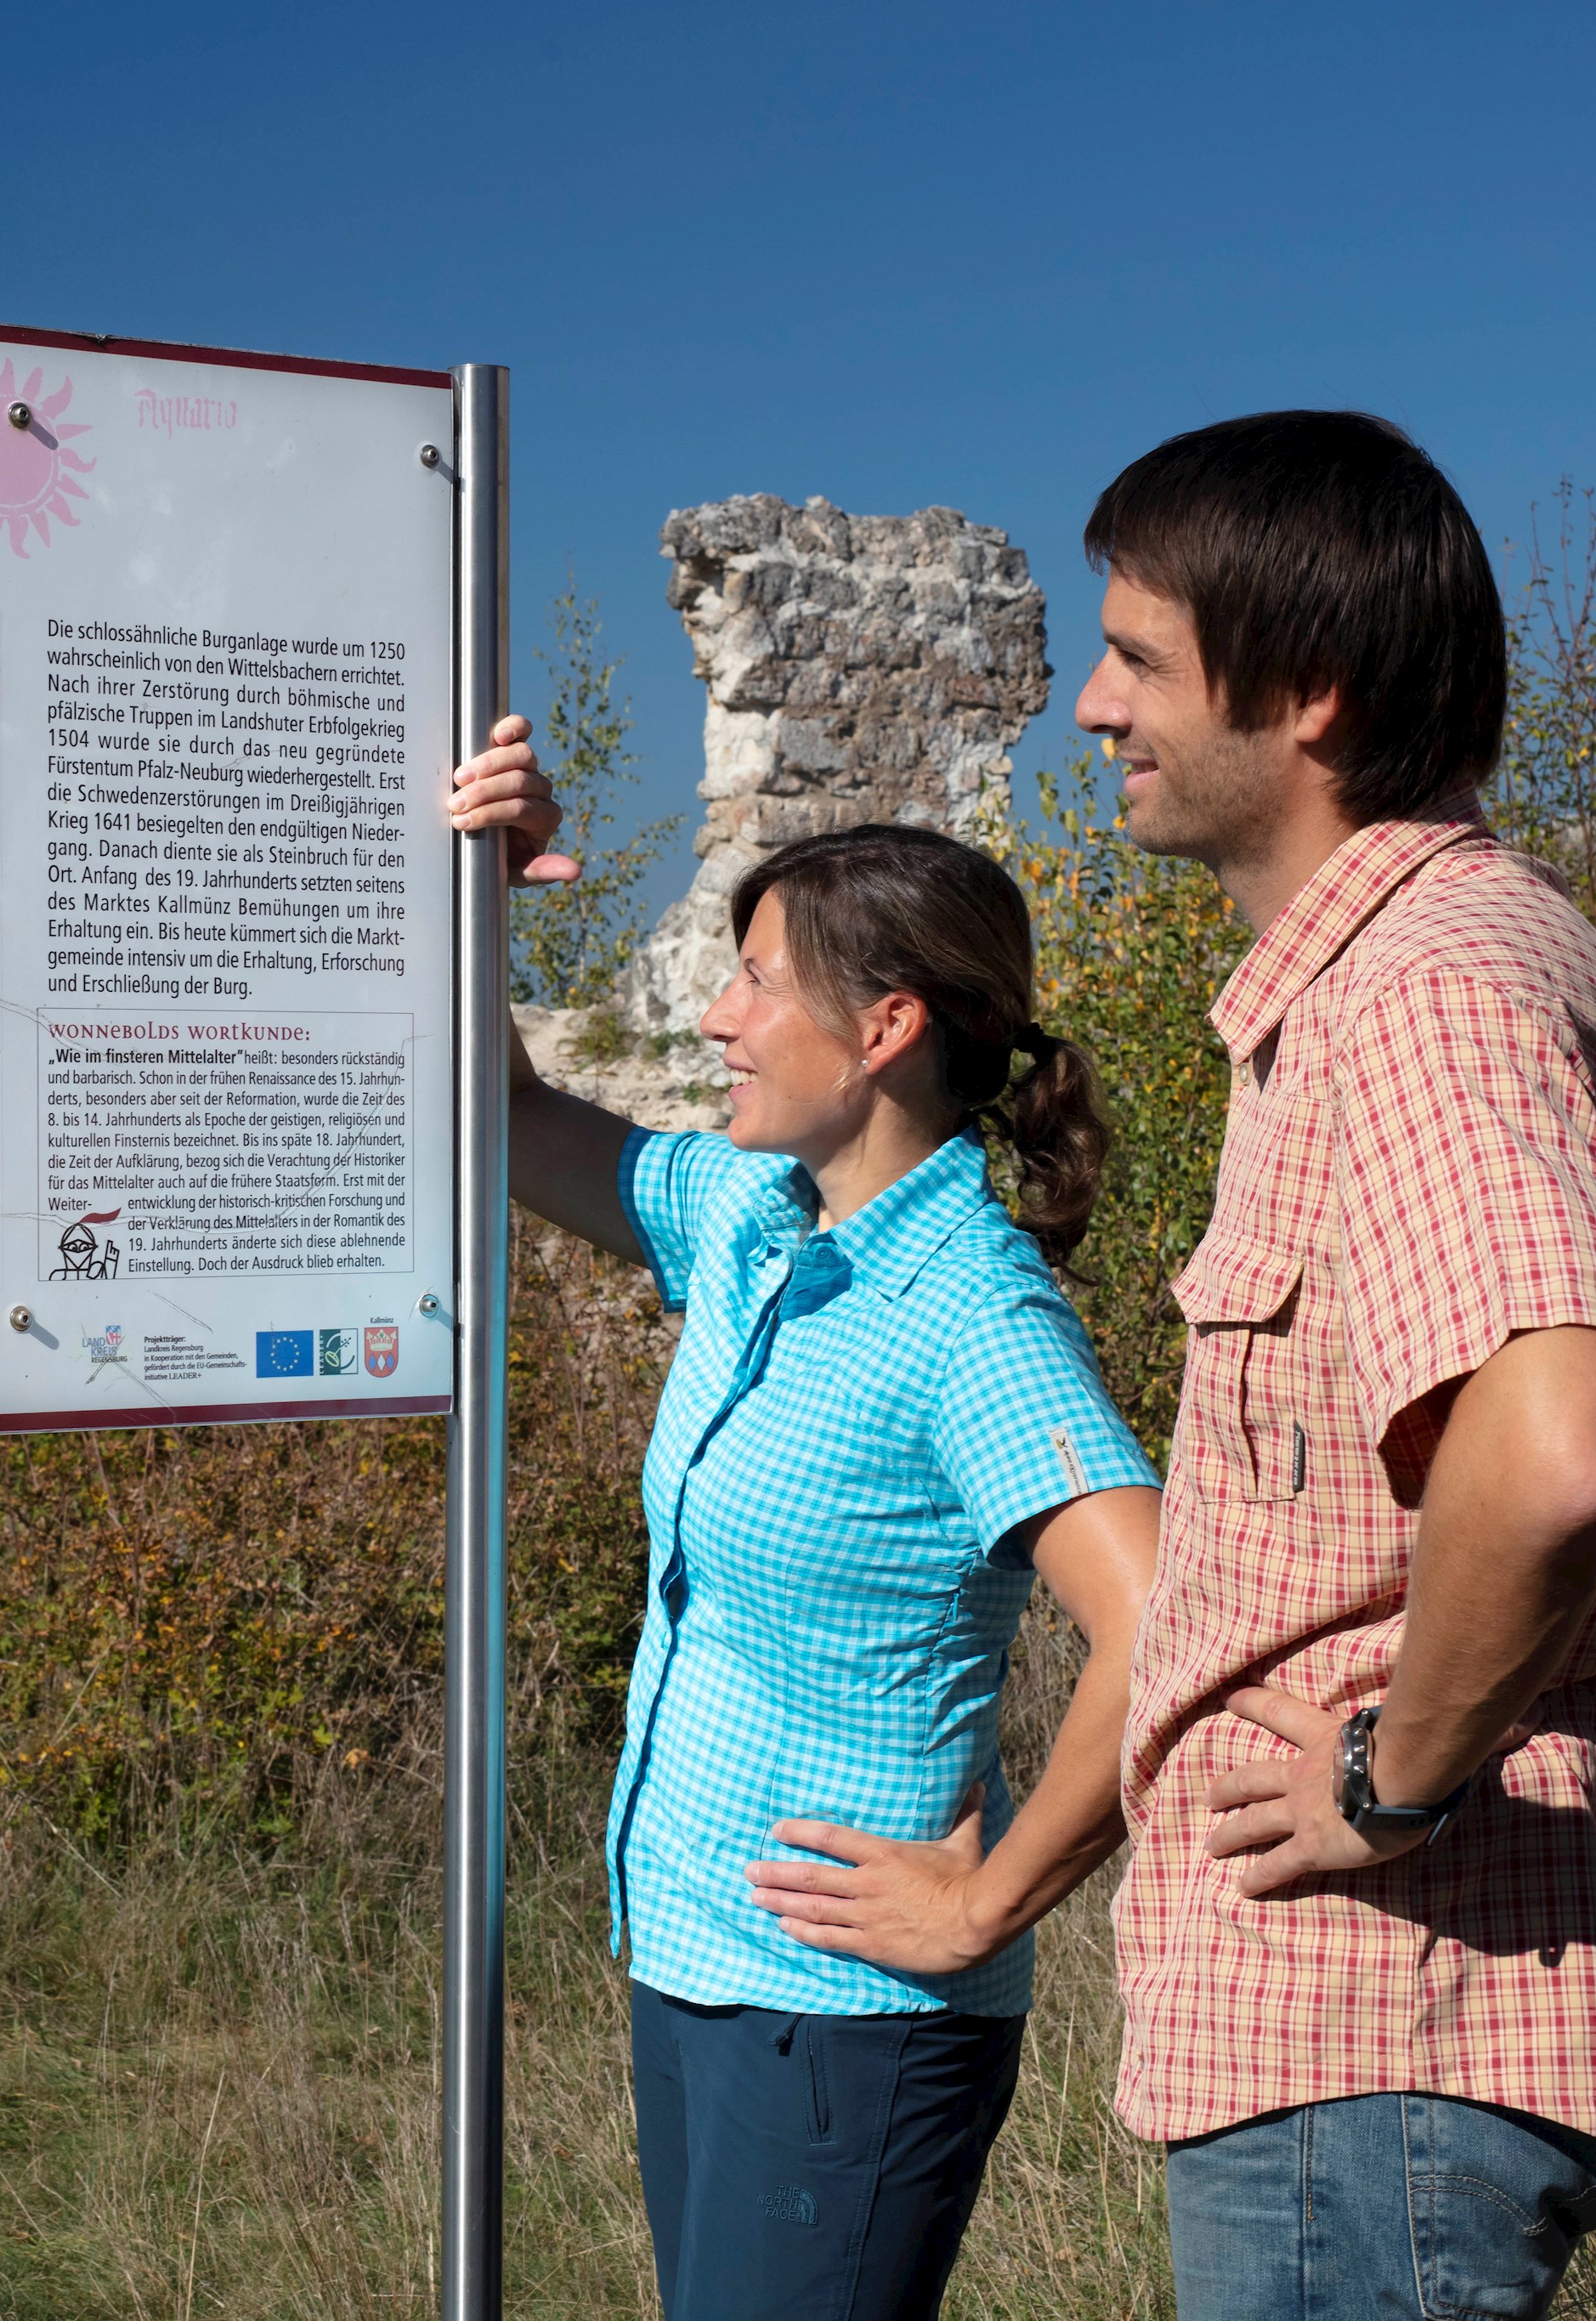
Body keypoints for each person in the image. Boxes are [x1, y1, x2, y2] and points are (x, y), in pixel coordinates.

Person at [1070, 411, 1596, 2320]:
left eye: (1134, 654)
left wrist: (1391, 1775)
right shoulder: (1417, 973)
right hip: (1372, 2040)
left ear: (1306, 694)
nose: (1090, 704)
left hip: (1385, 2019)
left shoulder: (1426, 990)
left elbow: (1552, 1448)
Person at [447, 744, 1163, 2321]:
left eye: (755, 982)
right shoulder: (747, 1216)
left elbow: (1164, 1622)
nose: (715, 1018)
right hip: (701, 1967)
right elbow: (496, 1108)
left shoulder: (975, 1313)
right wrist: (473, 899)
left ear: (886, 1028)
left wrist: (983, 1903)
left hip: (850, 2020)